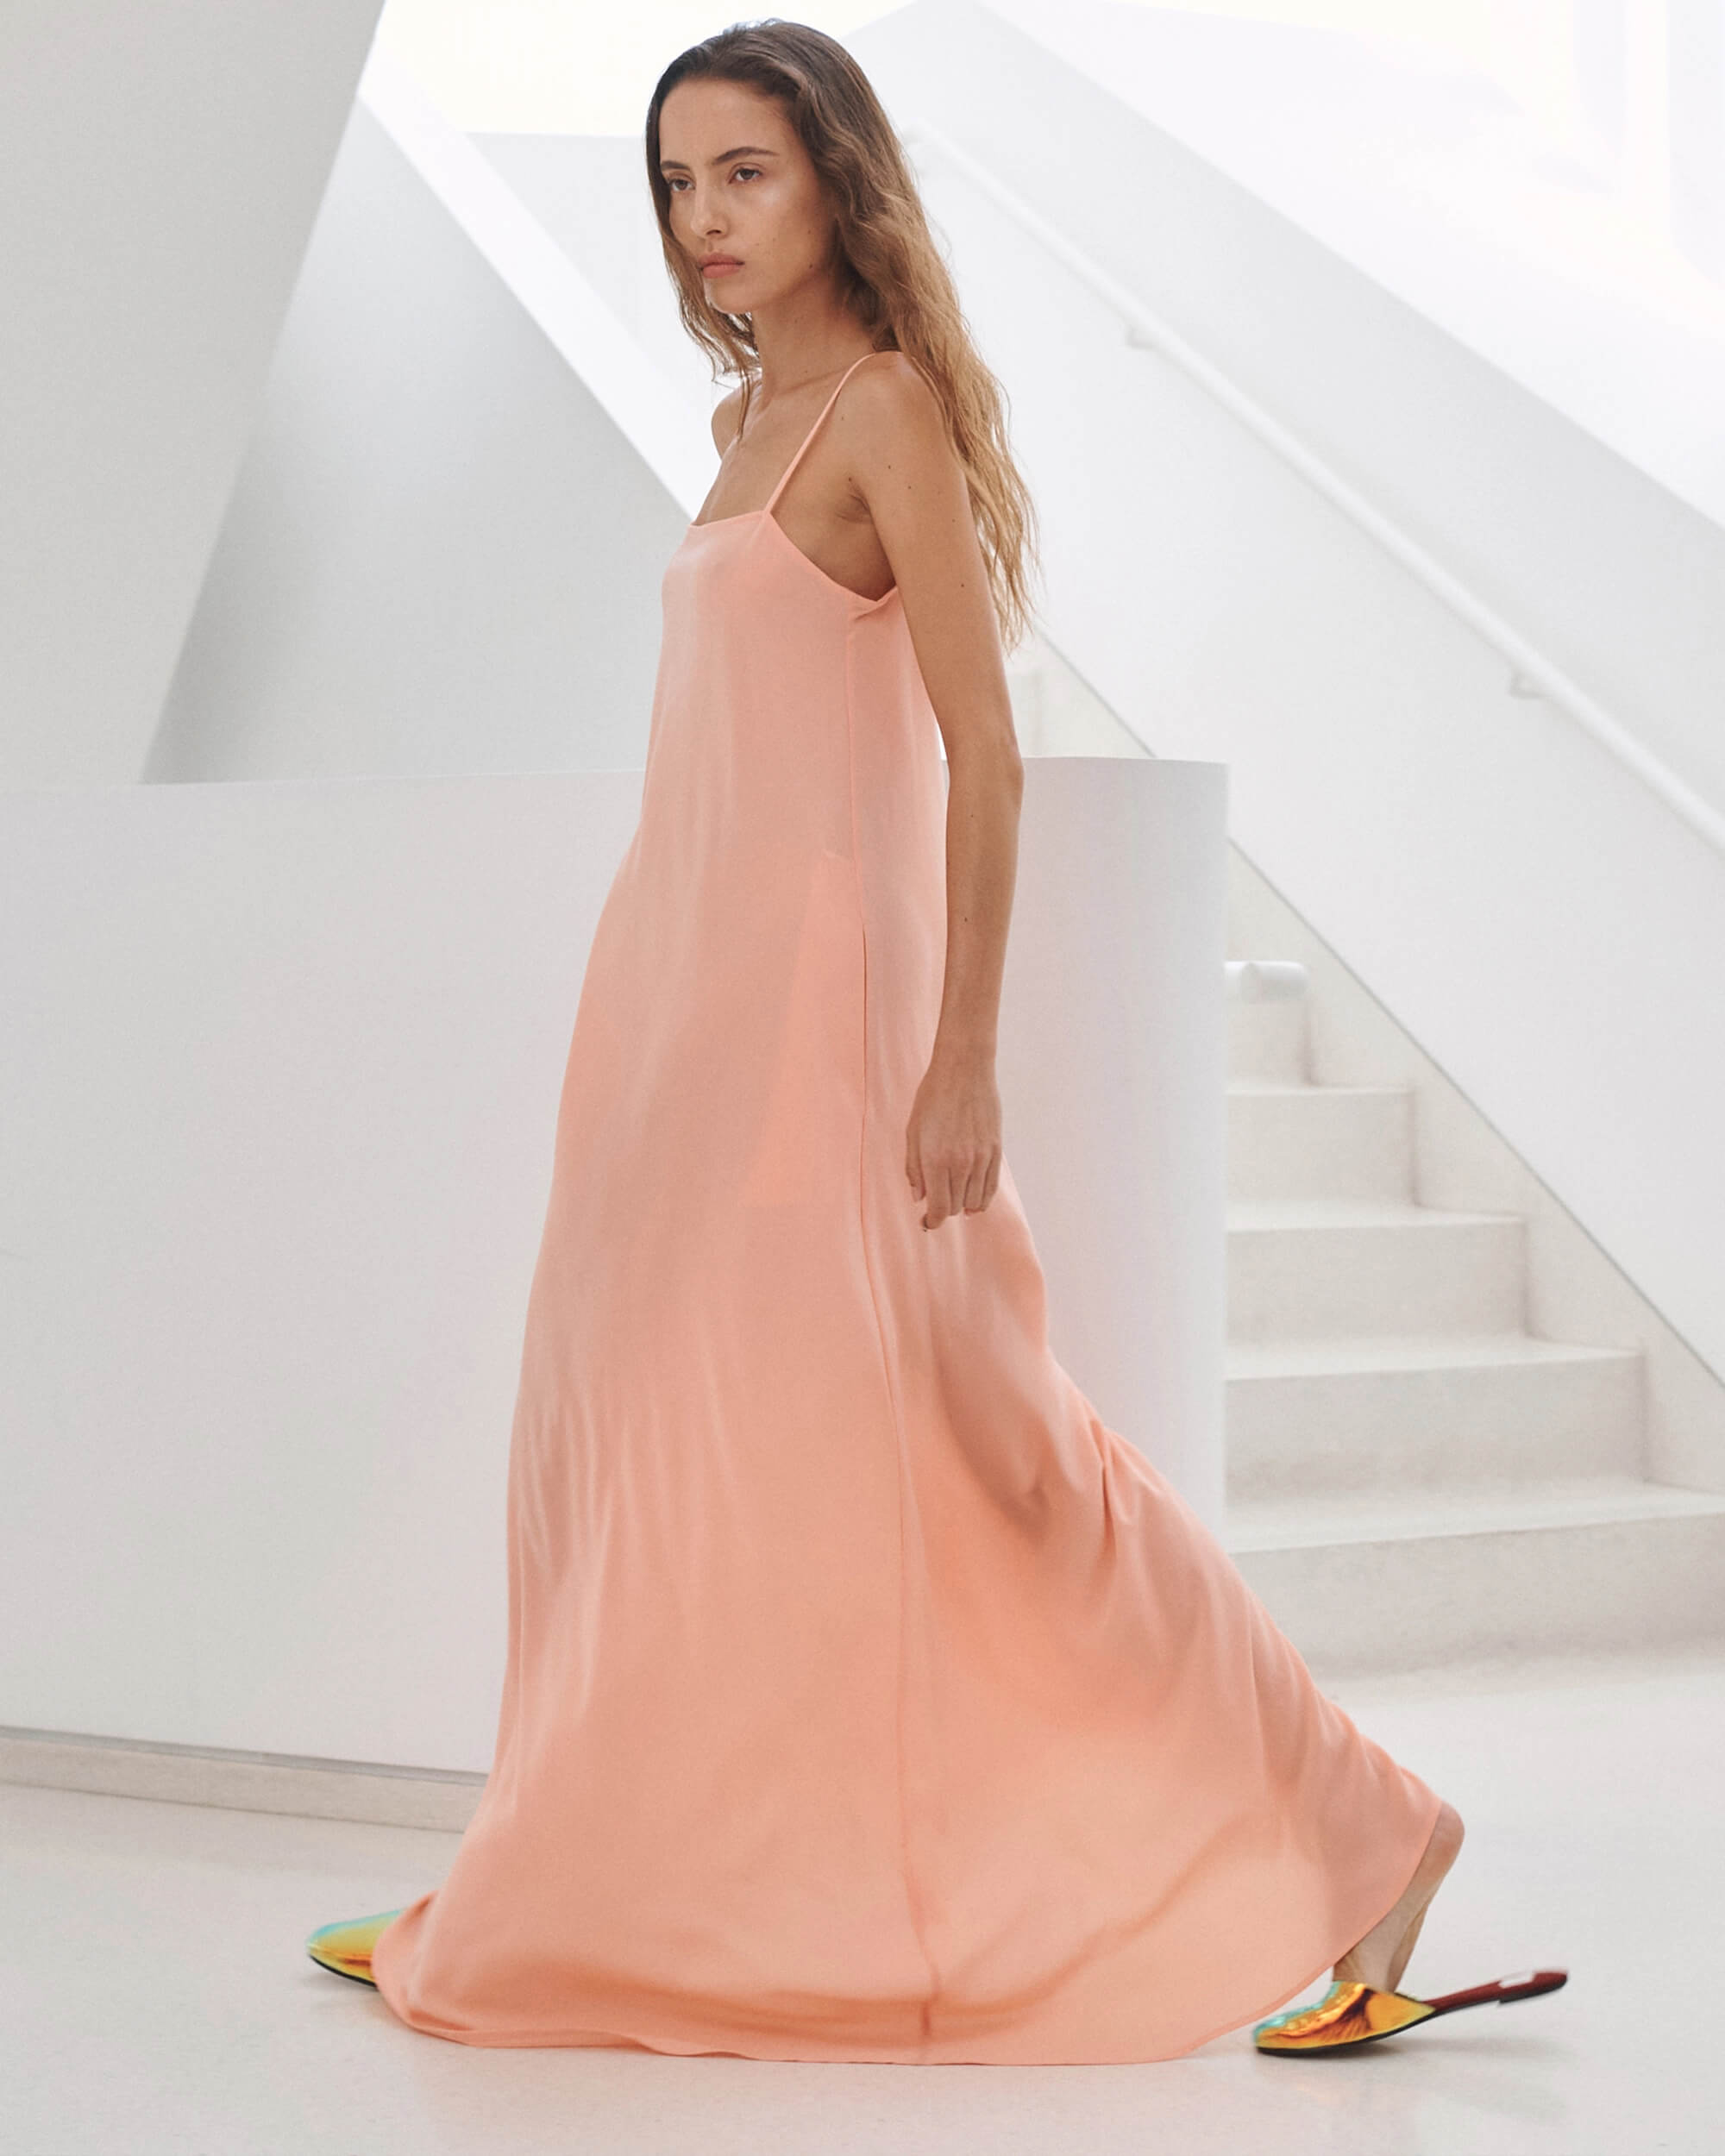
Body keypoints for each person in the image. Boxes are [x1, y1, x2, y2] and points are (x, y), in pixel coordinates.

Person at [307, 19, 1564, 2061]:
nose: (704, 220)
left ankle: (1372, 1822)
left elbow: (986, 752)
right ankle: (544, 1865)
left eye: (744, 172)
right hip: (673, 1018)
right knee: (635, 1437)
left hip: (831, 1034)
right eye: (677, 182)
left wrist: (960, 1053)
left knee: (999, 1445)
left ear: (837, 179)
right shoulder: (742, 418)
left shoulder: (877, 411)